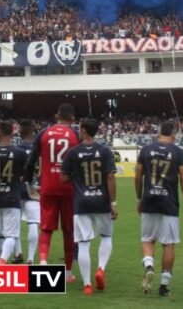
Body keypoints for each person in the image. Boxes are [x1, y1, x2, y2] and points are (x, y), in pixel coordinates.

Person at [135, 121, 183, 297]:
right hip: (169, 202)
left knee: (147, 239)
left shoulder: (145, 150)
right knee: (168, 243)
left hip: (149, 200)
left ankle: (149, 265)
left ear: (159, 133)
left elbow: (138, 176)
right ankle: (164, 285)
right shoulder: (178, 152)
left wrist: (139, 197)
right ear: (174, 135)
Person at [62, 118, 118, 296]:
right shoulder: (105, 151)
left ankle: (87, 285)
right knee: (106, 237)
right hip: (102, 201)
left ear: (84, 131)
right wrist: (113, 202)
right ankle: (100, 269)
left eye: (80, 128)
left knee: (84, 243)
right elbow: (110, 177)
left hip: (81, 202)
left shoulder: (72, 152)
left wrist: (77, 179)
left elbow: (63, 178)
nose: (79, 131)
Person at [25, 103, 80, 282]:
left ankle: (42, 261)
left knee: (47, 228)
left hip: (48, 185)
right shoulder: (75, 135)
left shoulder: (44, 134)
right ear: (72, 118)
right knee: (68, 230)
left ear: (57, 116)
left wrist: (28, 182)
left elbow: (31, 160)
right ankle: (68, 273)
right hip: (68, 187)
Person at [0, 121, 28, 265]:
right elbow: (26, 174)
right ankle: (2, 260)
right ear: (12, 133)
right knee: (12, 234)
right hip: (12, 196)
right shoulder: (20, 153)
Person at [16, 119, 40, 264]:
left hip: (17, 189)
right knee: (33, 223)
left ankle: (18, 252)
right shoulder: (40, 149)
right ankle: (30, 257)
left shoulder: (16, 150)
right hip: (35, 188)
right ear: (33, 131)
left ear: (20, 132)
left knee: (15, 224)